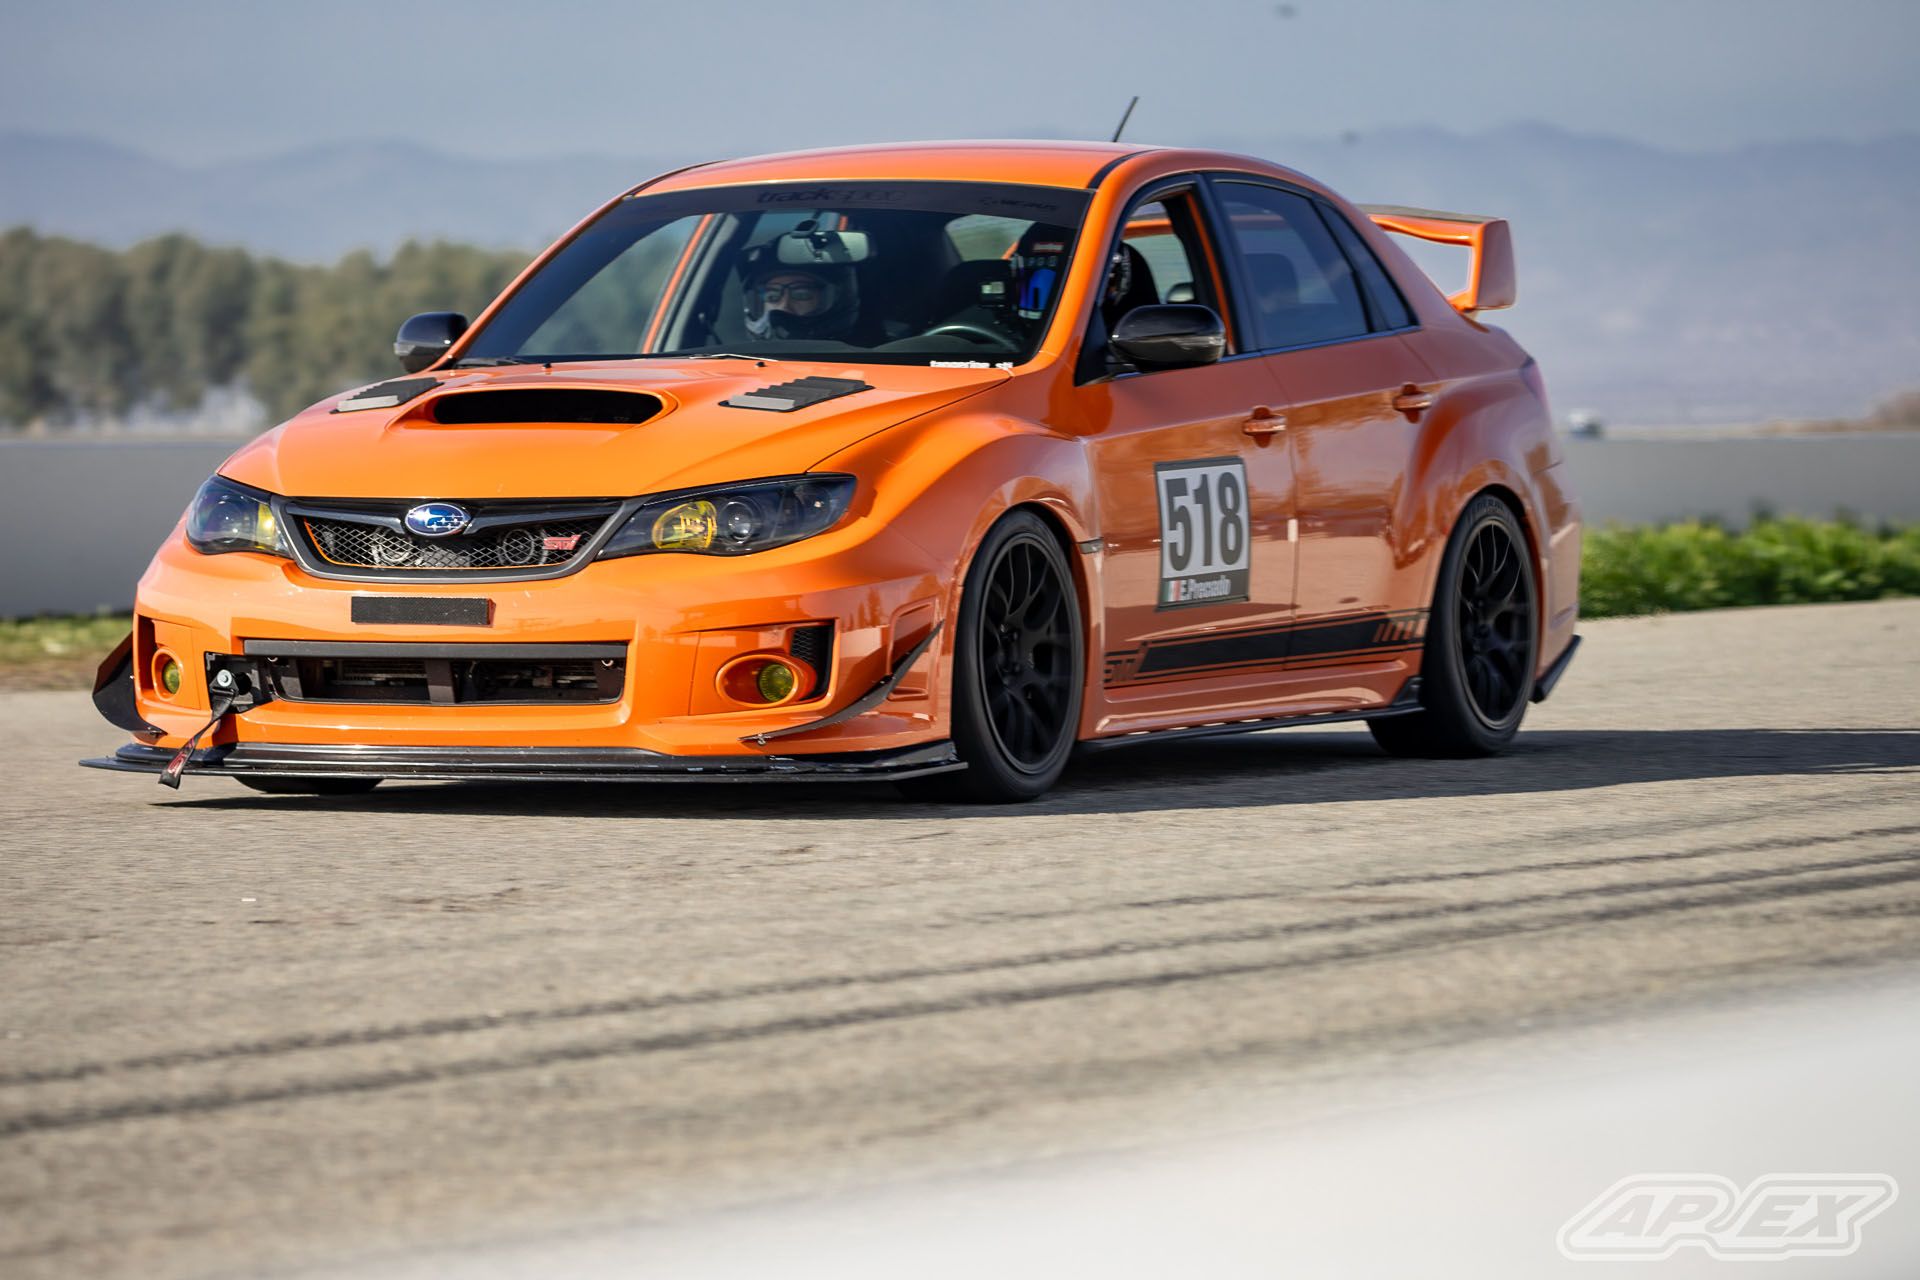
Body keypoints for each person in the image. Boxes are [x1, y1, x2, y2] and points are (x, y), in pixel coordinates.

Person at [740, 243, 860, 342]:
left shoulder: (860, 362)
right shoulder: (739, 358)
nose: (784, 307)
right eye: (772, 297)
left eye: (801, 295)